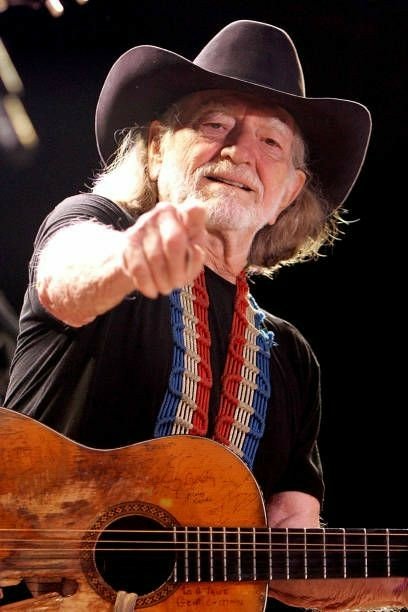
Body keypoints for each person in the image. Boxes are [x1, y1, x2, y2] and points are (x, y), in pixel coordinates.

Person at [2, 19, 407, 610]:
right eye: (214, 124)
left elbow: (291, 559)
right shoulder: (93, 227)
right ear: (157, 147)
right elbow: (66, 276)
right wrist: (129, 259)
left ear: (289, 193)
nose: (240, 151)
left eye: (271, 143)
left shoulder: (290, 360)